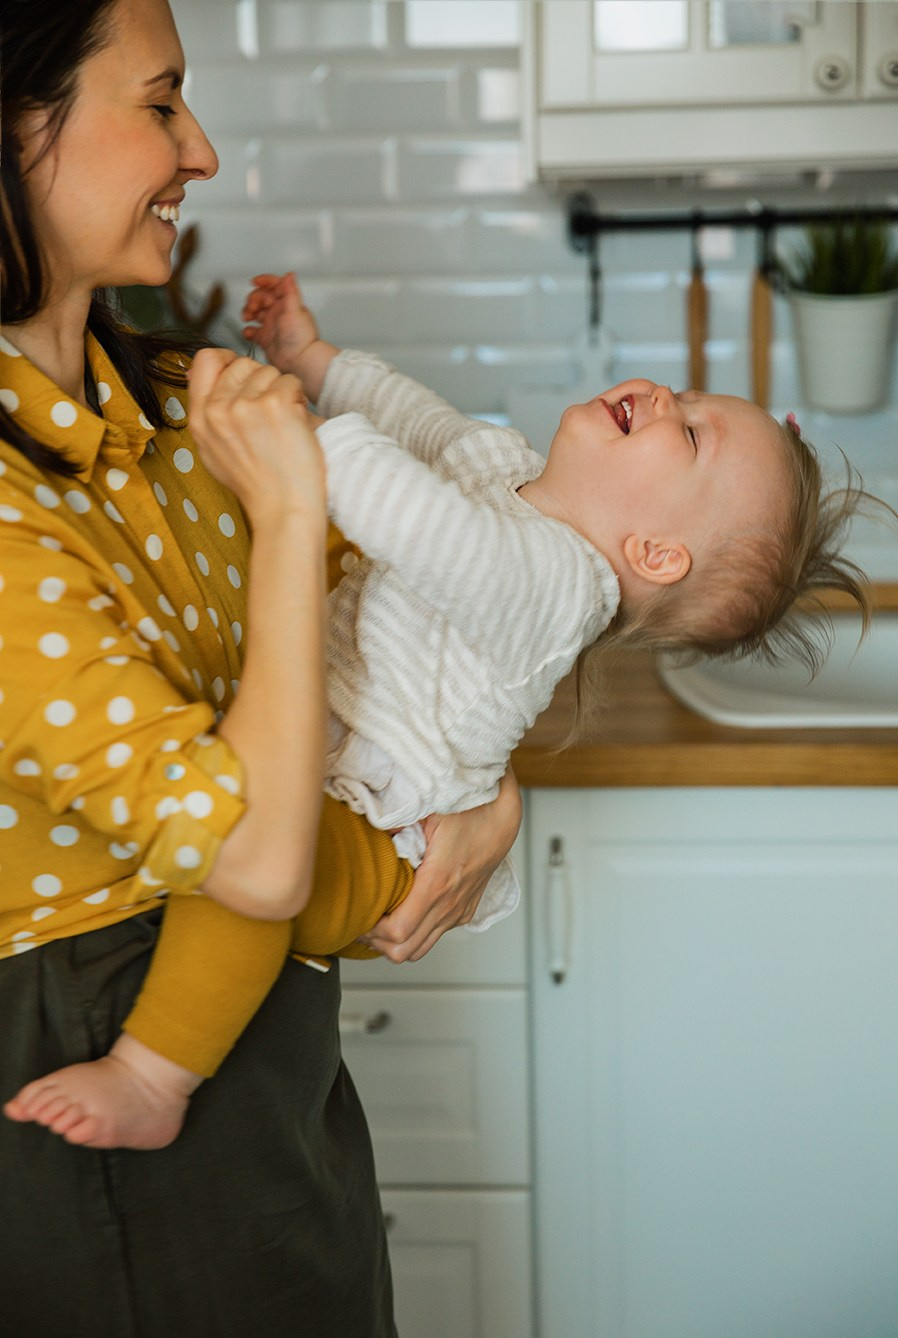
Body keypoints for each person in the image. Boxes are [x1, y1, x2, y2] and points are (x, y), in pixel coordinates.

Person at [7, 262, 877, 1159]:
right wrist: (317, 360)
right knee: (252, 849)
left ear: (654, 554)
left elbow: (417, 519)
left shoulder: (553, 586)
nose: (663, 394)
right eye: (686, 393)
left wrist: (292, 445)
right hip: (331, 752)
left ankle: (154, 1079)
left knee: (248, 886)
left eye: (690, 432)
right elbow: (418, 421)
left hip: (380, 817)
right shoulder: (513, 472)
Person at [0, 3, 521, 1334]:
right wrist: (291, 518)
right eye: (161, 102)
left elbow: (448, 612)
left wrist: (499, 797)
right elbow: (251, 861)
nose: (206, 153)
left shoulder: (181, 408)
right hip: (90, 1089)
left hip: (274, 1086)